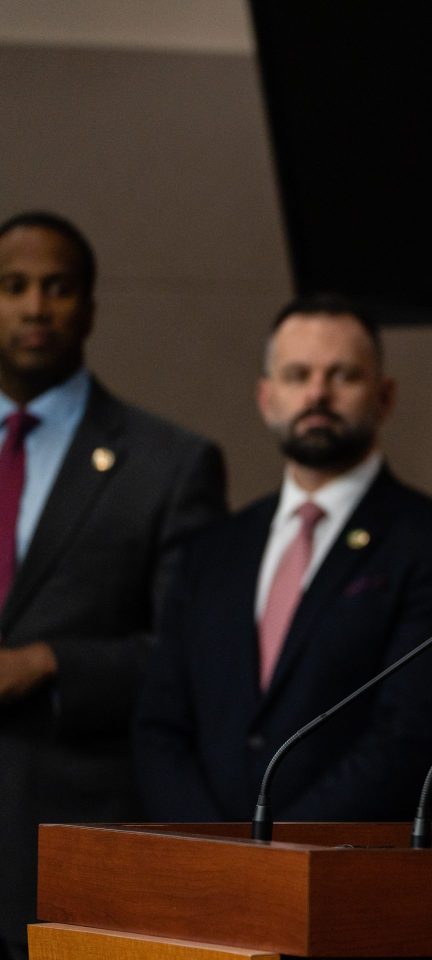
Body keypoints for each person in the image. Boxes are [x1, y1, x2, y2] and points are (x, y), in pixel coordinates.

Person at [133, 296, 432, 822]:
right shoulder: (213, 549)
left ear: (385, 396)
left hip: (346, 869)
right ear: (266, 397)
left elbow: (410, 736)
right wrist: (212, 846)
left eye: (342, 375)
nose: (317, 394)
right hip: (203, 866)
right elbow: (159, 725)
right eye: (297, 375)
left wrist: (275, 852)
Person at [0, 211, 226, 959]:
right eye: (14, 286)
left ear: (90, 308)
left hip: (67, 837)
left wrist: (52, 663)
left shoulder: (168, 464)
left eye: (58, 287)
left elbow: (188, 659)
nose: (36, 306)